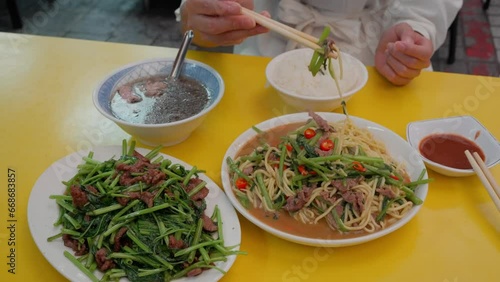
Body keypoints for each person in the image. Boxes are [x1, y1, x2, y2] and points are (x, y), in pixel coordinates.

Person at [176, 0, 462, 86]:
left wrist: (416, 26)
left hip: (376, 53)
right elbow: (198, 13)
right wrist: (200, 16)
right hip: (267, 45)